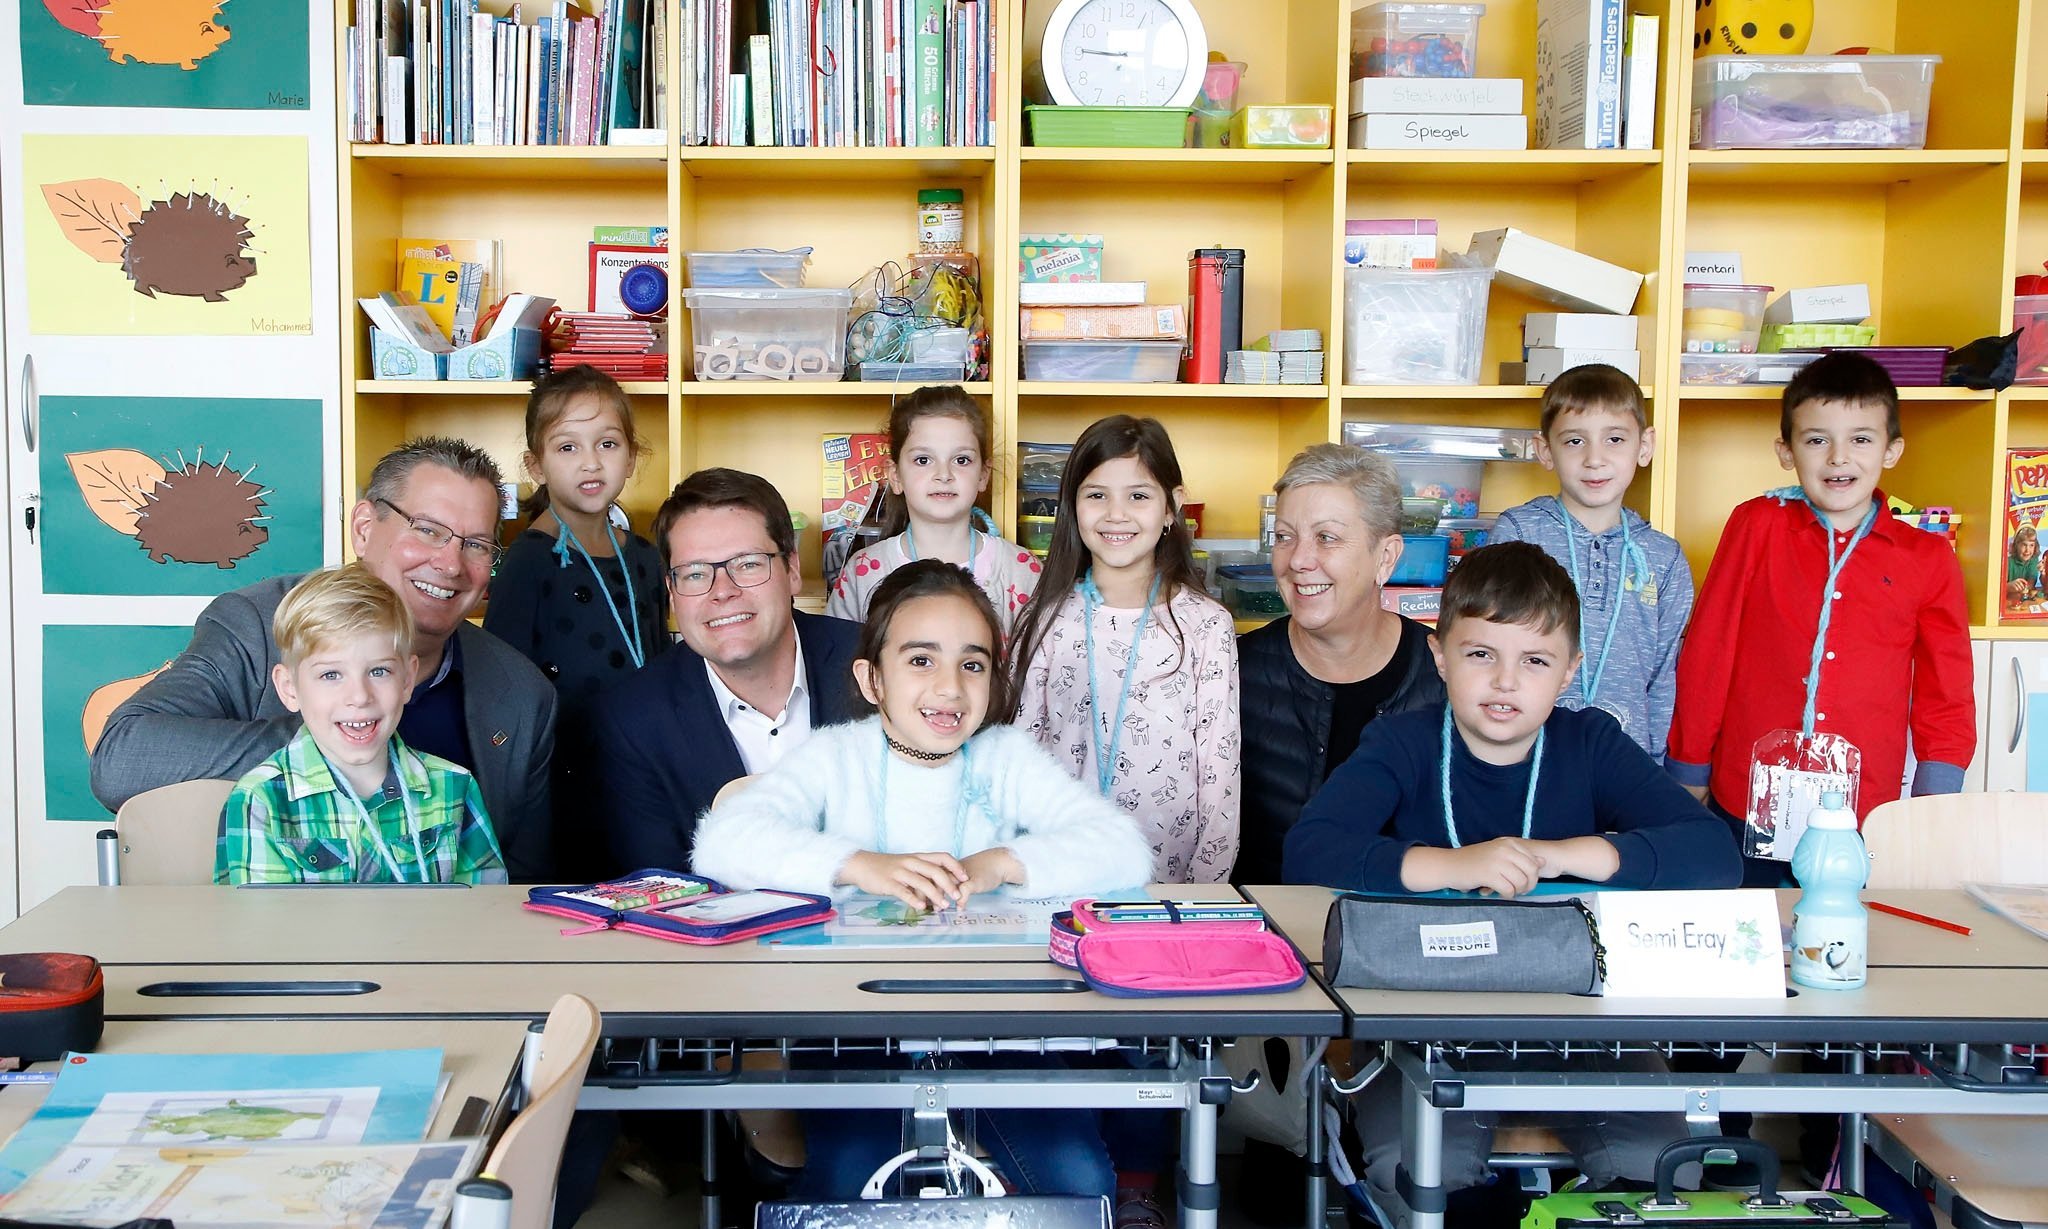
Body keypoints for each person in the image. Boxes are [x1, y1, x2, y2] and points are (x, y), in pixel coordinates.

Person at [1284, 542, 1739, 1228]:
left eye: (1534, 660)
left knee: (1663, 1166)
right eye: (1480, 654)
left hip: (1588, 1030)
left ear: (1568, 672)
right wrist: (1454, 864)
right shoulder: (1401, 742)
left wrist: (1572, 853)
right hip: (1421, 1029)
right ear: (1440, 656)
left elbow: (1713, 853)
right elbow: (1309, 847)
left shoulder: (1590, 744)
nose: (1504, 681)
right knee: (1424, 1176)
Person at [693, 560, 1147, 1201]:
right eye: (920, 661)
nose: (950, 689)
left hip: (1007, 1035)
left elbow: (1124, 850)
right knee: (845, 1182)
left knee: (1079, 1178)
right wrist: (858, 864)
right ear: (871, 679)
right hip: (856, 1036)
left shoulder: (1004, 760)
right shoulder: (835, 757)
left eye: (972, 663)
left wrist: (1001, 862)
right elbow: (720, 841)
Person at [89, 438, 558, 882]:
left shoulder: (522, 694)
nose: (451, 564)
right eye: (429, 530)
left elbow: (518, 888)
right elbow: (121, 759)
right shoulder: (256, 626)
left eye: (475, 544)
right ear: (364, 528)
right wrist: (333, 741)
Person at [1665, 352, 1976, 872]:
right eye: (1816, 440)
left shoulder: (1928, 557)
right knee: (1749, 939)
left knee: (1844, 942)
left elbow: (1946, 691)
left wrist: (1933, 802)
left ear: (1892, 450)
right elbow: (1709, 651)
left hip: (1864, 811)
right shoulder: (1755, 525)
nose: (1838, 458)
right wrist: (1688, 768)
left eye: (1861, 438)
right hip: (1744, 797)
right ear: (1785, 451)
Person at [593, 468, 862, 874]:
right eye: (696, 573)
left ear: (791, 569)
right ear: (671, 592)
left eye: (748, 564)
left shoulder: (880, 666)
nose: (723, 591)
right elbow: (655, 891)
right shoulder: (631, 720)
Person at [1011, 414, 1241, 884]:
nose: (1116, 514)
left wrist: (1203, 893)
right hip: (1061, 873)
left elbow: (1220, 773)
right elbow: (1020, 756)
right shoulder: (1046, 618)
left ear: (1172, 506)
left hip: (1172, 885)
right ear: (1072, 506)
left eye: (1138, 496)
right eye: (1097, 495)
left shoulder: (1206, 625)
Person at [484, 367, 669, 881]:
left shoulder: (646, 557)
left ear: (631, 456)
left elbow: (657, 653)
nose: (590, 462)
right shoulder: (529, 561)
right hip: (559, 772)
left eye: (607, 444)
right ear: (534, 464)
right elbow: (503, 682)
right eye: (567, 448)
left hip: (636, 765)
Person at [1234, 443, 1445, 888]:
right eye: (1285, 536)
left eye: (1326, 537)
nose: (1298, 560)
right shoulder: (1231, 671)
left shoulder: (1445, 675)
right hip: (1261, 936)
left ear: (1385, 557)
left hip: (1397, 936)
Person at [215, 566, 506, 885]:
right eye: (331, 675)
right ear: (289, 688)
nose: (359, 696)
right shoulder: (262, 799)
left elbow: (483, 916)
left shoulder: (455, 788)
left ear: (407, 679)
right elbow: (258, 930)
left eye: (379, 672)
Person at [1492, 364, 1694, 757]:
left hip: (1625, 760)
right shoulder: (1518, 533)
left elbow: (1663, 676)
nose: (1595, 459)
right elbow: (1488, 646)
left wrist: (1652, 766)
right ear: (1545, 451)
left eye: (1615, 439)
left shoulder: (1664, 558)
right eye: (1574, 442)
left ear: (1645, 446)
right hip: (1524, 753)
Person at [826, 385, 1042, 633]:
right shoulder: (863, 572)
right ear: (895, 476)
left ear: (983, 475)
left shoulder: (1022, 570)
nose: (943, 475)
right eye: (923, 460)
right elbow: (840, 659)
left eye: (961, 460)